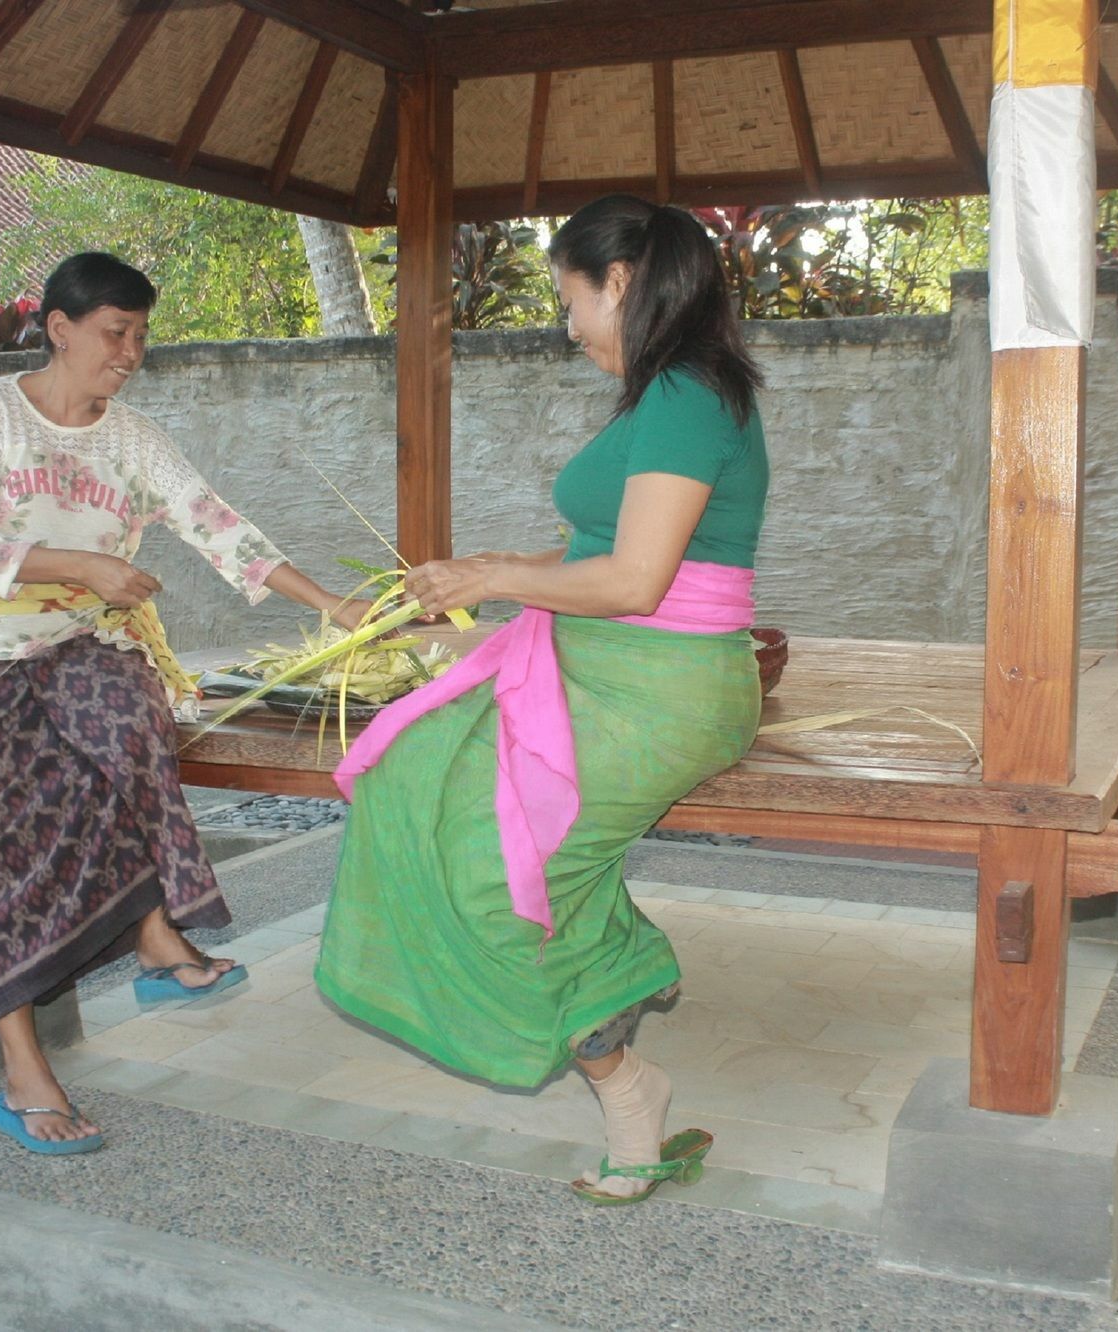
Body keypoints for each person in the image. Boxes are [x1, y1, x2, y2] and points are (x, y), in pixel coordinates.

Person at [317, 195, 769, 1203]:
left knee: (490, 875)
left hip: (657, 687)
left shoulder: (687, 398)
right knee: (414, 783)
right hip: (599, 665)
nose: (568, 327)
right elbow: (597, 560)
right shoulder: (664, 397)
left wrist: (491, 583)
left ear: (620, 281)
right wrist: (480, 575)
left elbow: (633, 583)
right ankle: (624, 1078)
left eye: (571, 299)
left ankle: (623, 1067)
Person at [0, 251, 363, 1154]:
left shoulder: (131, 439)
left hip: (89, 645)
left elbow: (214, 522)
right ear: (59, 329)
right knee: (15, 845)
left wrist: (329, 603)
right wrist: (84, 564)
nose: (130, 353)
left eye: (140, 336)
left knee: (133, 730)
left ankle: (160, 937)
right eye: (114, 333)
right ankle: (23, 1069)